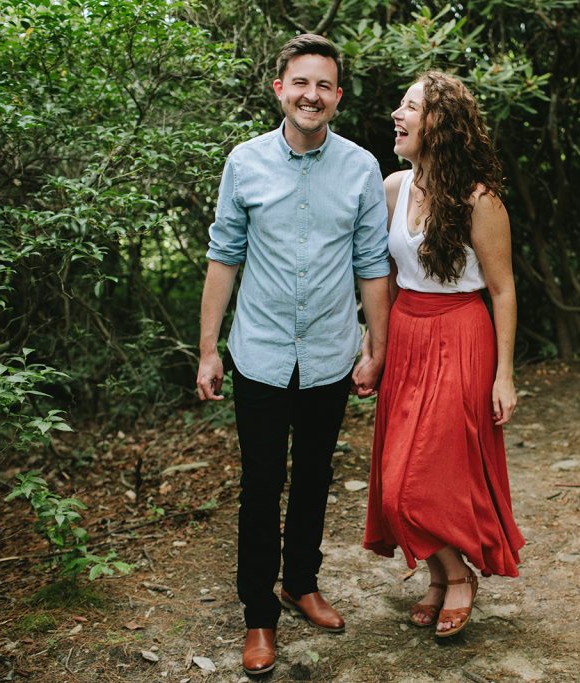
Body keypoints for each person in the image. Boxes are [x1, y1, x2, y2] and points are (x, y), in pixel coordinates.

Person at [196, 34, 391, 675]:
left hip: (332, 354)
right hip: (260, 353)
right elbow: (224, 257)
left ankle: (300, 583)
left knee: (312, 477)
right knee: (261, 484)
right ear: (279, 89)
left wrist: (375, 346)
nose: (312, 95)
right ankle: (259, 616)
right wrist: (208, 351)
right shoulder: (245, 162)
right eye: (300, 83)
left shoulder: (361, 168)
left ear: (337, 95)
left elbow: (370, 265)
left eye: (324, 85)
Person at [362, 71, 525, 638]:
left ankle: (458, 579)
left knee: (428, 477)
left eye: (409, 107)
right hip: (407, 332)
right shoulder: (392, 188)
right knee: (393, 477)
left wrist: (504, 375)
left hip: (461, 334)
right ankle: (441, 574)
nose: (396, 116)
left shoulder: (480, 200)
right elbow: (379, 273)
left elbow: (502, 289)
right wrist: (372, 346)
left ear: (440, 125)